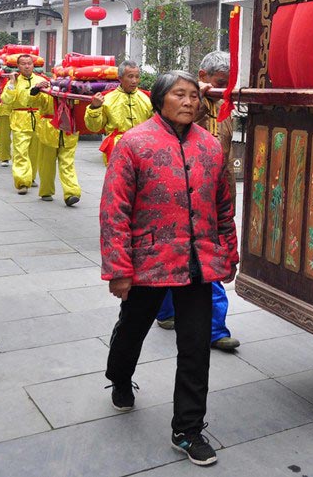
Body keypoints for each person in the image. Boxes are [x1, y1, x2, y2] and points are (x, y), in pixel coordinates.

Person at [100, 70, 238, 467]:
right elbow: (114, 209)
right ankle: (120, 378)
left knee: (195, 347)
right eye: (180, 94)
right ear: (160, 99)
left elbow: (223, 204)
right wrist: (119, 268)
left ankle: (188, 429)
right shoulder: (135, 143)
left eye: (194, 95)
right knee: (132, 329)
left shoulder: (210, 145)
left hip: (198, 262)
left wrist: (228, 251)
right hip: (149, 261)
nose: (190, 102)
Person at [155, 51, 240, 352]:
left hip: (216, 195)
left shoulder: (225, 108)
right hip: (183, 196)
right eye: (219, 83)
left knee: (208, 260)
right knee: (176, 257)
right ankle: (172, 314)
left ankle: (213, 328)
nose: (222, 89)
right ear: (203, 77)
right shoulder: (188, 106)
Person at [84, 60, 152, 164]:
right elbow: (94, 127)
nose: (134, 81)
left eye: (137, 76)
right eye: (130, 76)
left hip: (143, 146)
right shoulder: (107, 99)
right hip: (117, 147)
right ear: (120, 78)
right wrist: (94, 108)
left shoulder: (147, 99)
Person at [0, 54, 47, 193]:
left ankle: (30, 177)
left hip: (38, 119)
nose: (27, 66)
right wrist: (12, 83)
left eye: (29, 63)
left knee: (35, 152)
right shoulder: (13, 81)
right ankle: (22, 182)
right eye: (23, 64)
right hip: (20, 118)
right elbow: (6, 99)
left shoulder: (41, 80)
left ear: (33, 65)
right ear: (18, 66)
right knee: (20, 151)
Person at [33, 80, 82, 206]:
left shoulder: (75, 89)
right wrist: (35, 90)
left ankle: (72, 192)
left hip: (69, 131)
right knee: (46, 163)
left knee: (68, 163)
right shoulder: (47, 89)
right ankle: (46, 191)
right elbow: (32, 102)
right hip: (48, 130)